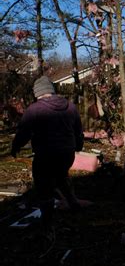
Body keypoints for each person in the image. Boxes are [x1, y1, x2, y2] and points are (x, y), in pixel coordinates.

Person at [11, 76, 84, 231]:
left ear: (37, 92)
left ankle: (47, 222)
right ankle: (74, 204)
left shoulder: (34, 109)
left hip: (46, 155)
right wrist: (78, 146)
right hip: (66, 154)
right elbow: (78, 132)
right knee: (61, 176)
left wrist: (15, 147)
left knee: (44, 186)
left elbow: (24, 132)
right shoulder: (71, 107)